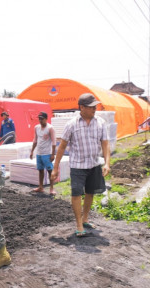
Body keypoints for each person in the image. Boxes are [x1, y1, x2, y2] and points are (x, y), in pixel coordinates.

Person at [51, 93, 110, 237]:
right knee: (76, 193)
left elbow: (105, 144)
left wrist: (107, 163)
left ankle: (85, 219)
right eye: (91, 107)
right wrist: (55, 167)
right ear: (82, 108)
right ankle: (78, 224)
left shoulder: (100, 123)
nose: (95, 109)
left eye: (95, 106)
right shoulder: (71, 124)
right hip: (77, 166)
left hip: (94, 164)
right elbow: (62, 146)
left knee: (90, 192)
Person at [30, 112, 56, 195]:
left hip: (47, 153)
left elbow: (54, 142)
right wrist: (32, 151)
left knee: (49, 170)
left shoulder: (50, 128)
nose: (40, 120)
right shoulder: (36, 128)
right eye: (39, 119)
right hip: (39, 153)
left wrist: (52, 154)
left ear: (46, 119)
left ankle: (51, 188)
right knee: (40, 170)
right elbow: (35, 140)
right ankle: (40, 187)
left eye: (42, 119)